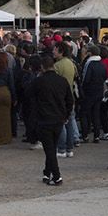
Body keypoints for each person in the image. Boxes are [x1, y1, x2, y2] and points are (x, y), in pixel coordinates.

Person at [28, 55, 73, 186]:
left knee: (49, 149)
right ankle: (47, 172)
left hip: (44, 118)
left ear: (42, 67)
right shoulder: (62, 81)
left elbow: (28, 94)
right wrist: (66, 115)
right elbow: (70, 100)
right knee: (51, 147)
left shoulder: (39, 81)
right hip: (59, 119)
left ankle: (57, 176)